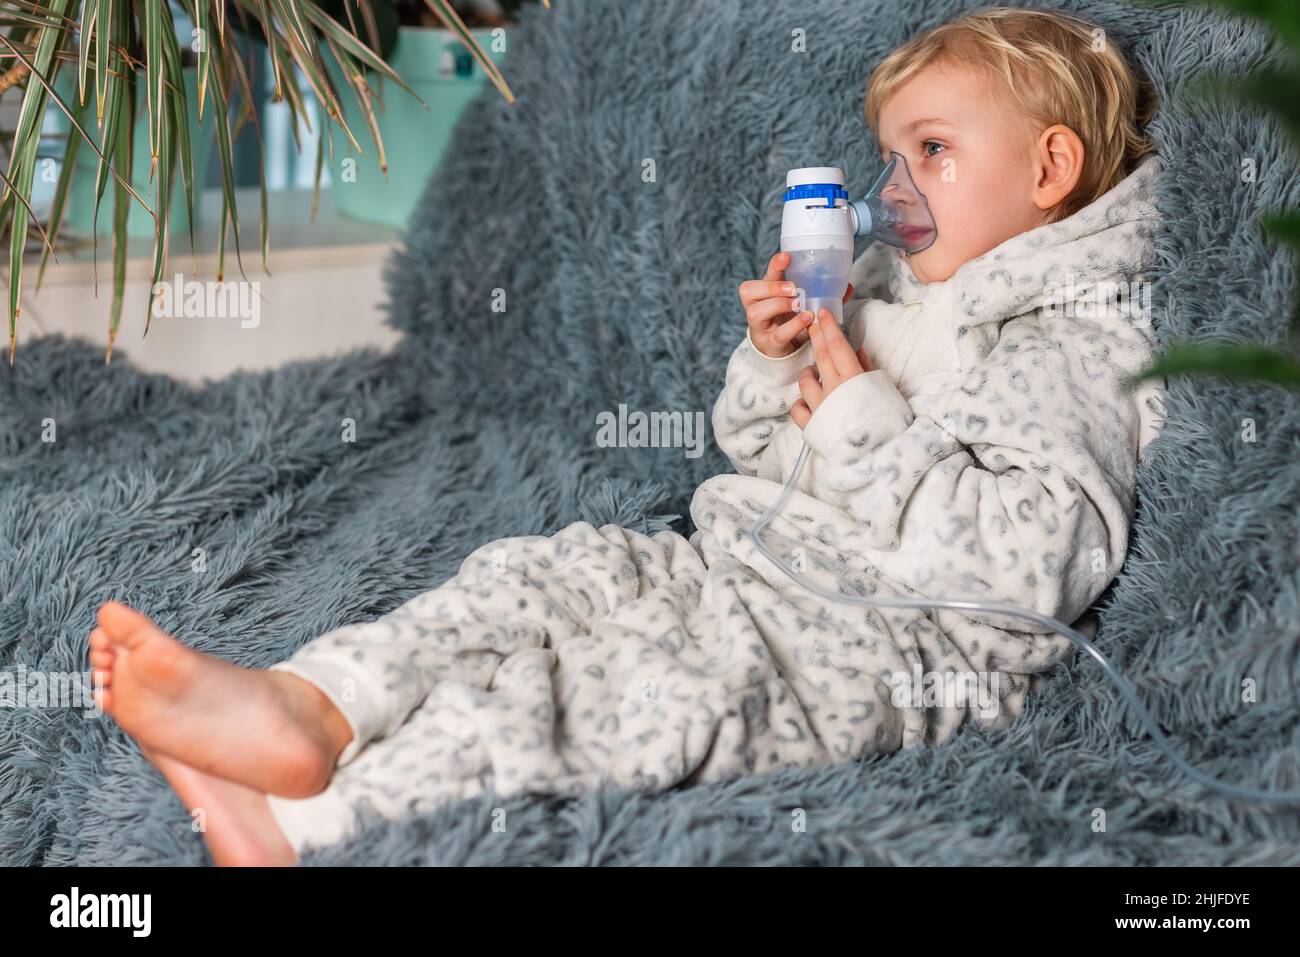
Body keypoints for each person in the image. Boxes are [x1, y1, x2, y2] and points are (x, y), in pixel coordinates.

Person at [89, 6, 1166, 865]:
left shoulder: (1066, 343)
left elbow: (1021, 566)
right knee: (540, 580)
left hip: (888, 647)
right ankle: (312, 705)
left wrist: (858, 424)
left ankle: (305, 824)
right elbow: (763, 453)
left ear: (1047, 168)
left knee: (618, 692)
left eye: (931, 151)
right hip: (742, 559)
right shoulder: (891, 289)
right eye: (890, 155)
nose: (892, 189)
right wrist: (781, 364)